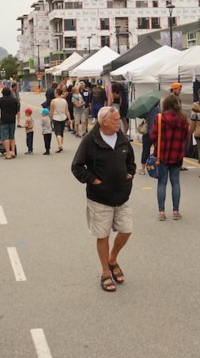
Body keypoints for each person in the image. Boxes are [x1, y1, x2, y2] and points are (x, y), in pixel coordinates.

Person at [70, 105, 136, 293]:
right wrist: (94, 181)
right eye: (115, 120)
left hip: (122, 195)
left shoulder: (121, 137)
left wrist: (130, 174)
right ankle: (106, 272)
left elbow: (131, 160)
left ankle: (112, 258)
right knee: (103, 235)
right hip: (99, 198)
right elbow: (77, 166)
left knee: (126, 231)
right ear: (104, 121)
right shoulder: (91, 140)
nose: (119, 122)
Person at [150, 93, 189, 221]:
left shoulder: (159, 118)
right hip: (177, 154)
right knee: (175, 182)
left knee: (162, 183)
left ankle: (161, 212)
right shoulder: (183, 119)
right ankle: (176, 211)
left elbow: (153, 136)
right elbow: (185, 138)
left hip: (162, 155)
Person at [0, 87, 19, 159]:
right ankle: (13, 152)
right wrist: (13, 114)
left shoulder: (0, 100)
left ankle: (8, 153)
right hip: (12, 120)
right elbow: (17, 109)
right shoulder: (14, 100)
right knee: (12, 136)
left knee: (5, 137)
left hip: (4, 120)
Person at [49, 87, 71, 153]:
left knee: (57, 132)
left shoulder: (53, 101)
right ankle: (61, 145)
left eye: (55, 92)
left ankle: (60, 145)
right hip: (63, 117)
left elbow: (51, 111)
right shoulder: (64, 101)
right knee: (61, 132)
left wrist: (51, 119)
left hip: (56, 117)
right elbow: (67, 111)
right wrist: (69, 118)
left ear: (56, 93)